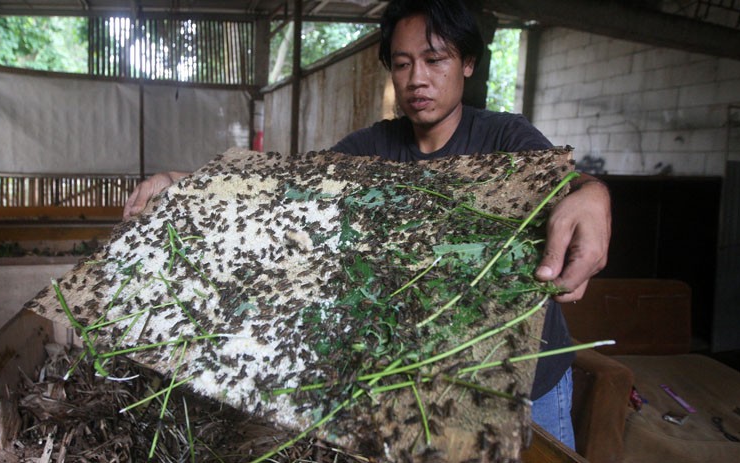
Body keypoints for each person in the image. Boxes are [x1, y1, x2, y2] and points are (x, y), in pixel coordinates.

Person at [124, 0, 610, 450]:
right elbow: (284, 186)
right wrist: (181, 181)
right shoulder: (370, 151)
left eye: (435, 59)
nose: (417, 78)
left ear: (467, 63)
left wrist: (593, 194)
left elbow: (570, 184)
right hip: (436, 380)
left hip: (528, 377)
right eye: (402, 63)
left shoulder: (505, 138)